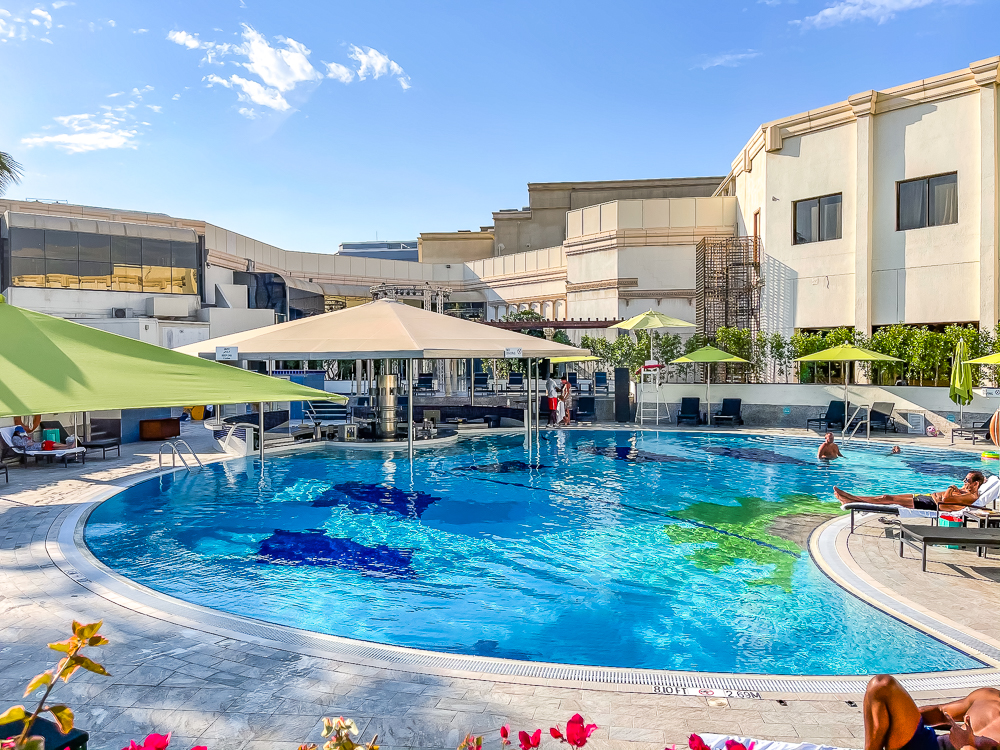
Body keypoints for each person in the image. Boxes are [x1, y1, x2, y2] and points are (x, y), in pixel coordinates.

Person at [862, 673, 1000, 750]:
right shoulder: (987, 695)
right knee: (882, 684)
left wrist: (966, 745)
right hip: (930, 744)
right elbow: (941, 712)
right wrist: (900, 717)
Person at [834, 471, 985, 512]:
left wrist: (950, 490)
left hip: (930, 504)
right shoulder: (965, 492)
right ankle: (851, 498)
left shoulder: (970, 496)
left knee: (886, 498)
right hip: (927, 497)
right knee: (888, 496)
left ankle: (852, 500)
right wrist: (954, 490)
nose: (964, 482)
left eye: (967, 480)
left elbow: (945, 501)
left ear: (976, 484)